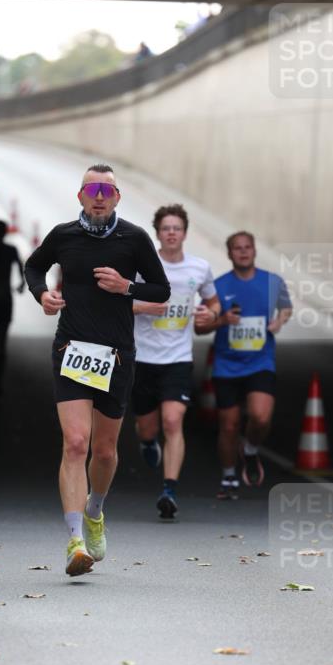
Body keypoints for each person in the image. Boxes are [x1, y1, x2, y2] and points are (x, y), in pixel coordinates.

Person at [25, 163, 170, 577]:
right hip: (72, 348)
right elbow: (33, 267)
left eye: (107, 189)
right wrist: (43, 295)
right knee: (75, 443)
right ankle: (74, 542)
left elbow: (161, 290)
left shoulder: (135, 239)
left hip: (116, 354)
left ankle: (94, 510)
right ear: (81, 196)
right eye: (93, 188)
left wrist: (127, 287)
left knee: (104, 451)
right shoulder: (63, 236)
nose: (100, 195)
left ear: (118, 197)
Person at [132, 204, 218, 519]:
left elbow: (213, 302)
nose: (171, 233)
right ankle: (145, 441)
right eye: (166, 228)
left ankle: (169, 490)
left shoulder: (198, 268)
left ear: (184, 233)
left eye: (177, 228)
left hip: (177, 359)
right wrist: (143, 308)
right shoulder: (142, 267)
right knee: (148, 427)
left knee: (172, 420)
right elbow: (116, 303)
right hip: (142, 358)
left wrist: (211, 314)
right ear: (157, 233)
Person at [196, 231, 292, 497]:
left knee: (260, 416)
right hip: (227, 365)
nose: (243, 252)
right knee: (229, 424)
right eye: (237, 248)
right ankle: (228, 476)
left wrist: (279, 321)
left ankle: (249, 450)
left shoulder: (272, 282)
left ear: (254, 250)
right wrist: (223, 320)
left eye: (247, 247)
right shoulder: (218, 287)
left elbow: (286, 307)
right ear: (229, 253)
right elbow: (200, 326)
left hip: (260, 361)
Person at [0, 220, 26, 398]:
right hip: (4, 299)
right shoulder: (10, 250)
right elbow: (21, 273)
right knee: (1, 344)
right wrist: (20, 286)